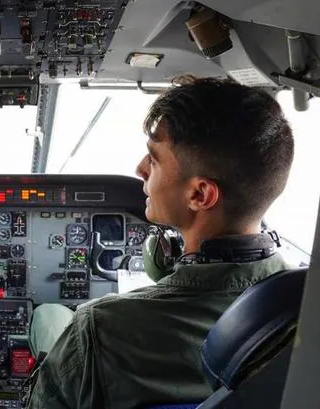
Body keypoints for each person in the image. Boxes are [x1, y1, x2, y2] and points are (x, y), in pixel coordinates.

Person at [26, 77, 295, 409]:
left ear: (200, 194)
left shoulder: (99, 329)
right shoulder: (303, 313)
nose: (140, 168)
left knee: (50, 316)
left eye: (153, 160)